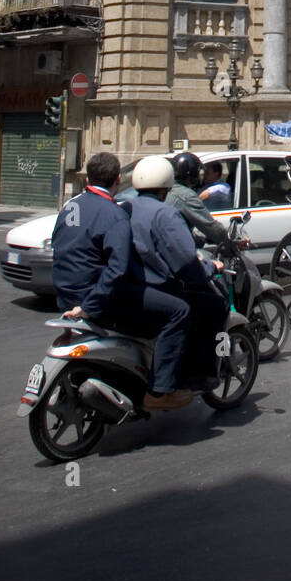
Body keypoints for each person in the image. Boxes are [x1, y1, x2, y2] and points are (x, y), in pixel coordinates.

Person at [51, 152, 193, 411]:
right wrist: (91, 306)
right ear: (118, 179)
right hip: (96, 299)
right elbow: (117, 269)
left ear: (88, 177)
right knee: (179, 311)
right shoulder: (113, 213)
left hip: (65, 295)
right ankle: (160, 392)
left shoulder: (71, 205)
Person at [127, 156, 229, 394]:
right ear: (166, 185)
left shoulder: (125, 207)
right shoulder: (165, 214)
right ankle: (198, 375)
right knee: (215, 305)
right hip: (157, 286)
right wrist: (210, 268)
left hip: (129, 284)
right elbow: (186, 263)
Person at [166, 151, 229, 246]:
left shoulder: (164, 190)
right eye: (199, 172)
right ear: (191, 173)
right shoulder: (186, 195)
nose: (202, 175)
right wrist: (231, 243)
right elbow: (211, 226)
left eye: (207, 173)